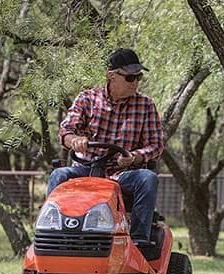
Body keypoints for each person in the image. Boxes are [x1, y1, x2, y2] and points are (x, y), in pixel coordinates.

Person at [47, 48, 164, 247]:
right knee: (59, 175)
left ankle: (139, 240)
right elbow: (66, 130)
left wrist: (134, 157)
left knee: (148, 178)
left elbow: (156, 145)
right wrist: (74, 140)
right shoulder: (87, 99)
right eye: (129, 77)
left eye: (138, 77)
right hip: (85, 171)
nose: (135, 82)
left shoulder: (146, 105)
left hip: (122, 175)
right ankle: (51, 233)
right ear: (111, 76)